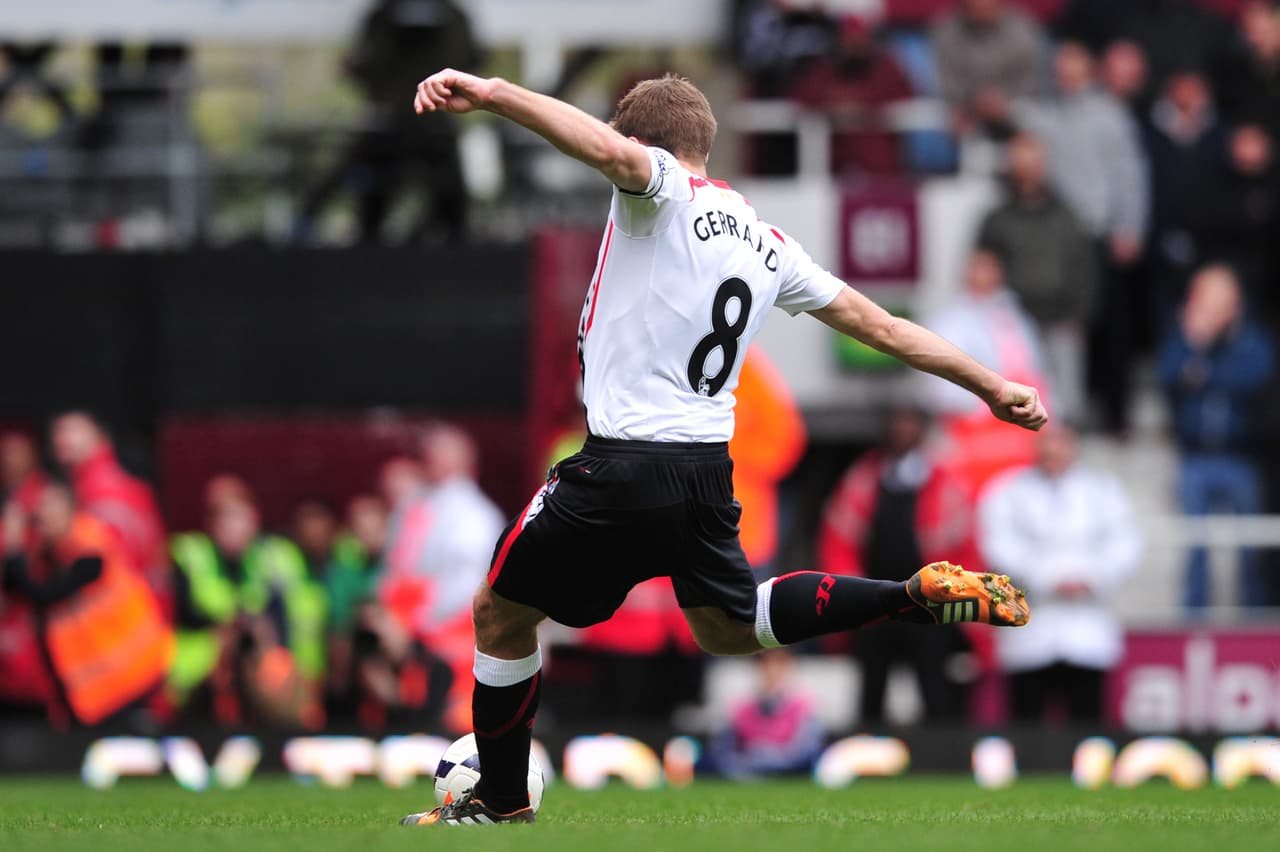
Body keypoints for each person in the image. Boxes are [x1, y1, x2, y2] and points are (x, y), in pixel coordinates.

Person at [401, 67, 1045, 826]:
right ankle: (907, 595)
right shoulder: (767, 242)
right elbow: (887, 329)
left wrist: (496, 94)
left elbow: (609, 155)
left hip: (621, 464)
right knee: (729, 628)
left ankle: (502, 800)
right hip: (707, 473)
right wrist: (993, 387)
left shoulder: (660, 190)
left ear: (643, 141)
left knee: (499, 615)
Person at [817, 408, 974, 723]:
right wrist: (851, 592)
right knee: (872, 686)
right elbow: (838, 539)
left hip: (928, 603)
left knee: (934, 684)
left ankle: (938, 761)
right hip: (875, 602)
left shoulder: (943, 482)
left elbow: (963, 543)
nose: (902, 430)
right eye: (896, 422)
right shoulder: (863, 479)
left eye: (909, 423)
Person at [978, 424, 1142, 724]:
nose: (1052, 451)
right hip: (1032, 623)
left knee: (1086, 720)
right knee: (1027, 720)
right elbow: (999, 545)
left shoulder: (1102, 490)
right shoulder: (1009, 490)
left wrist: (1091, 579)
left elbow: (1125, 544)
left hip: (1087, 625)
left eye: (1060, 443)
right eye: (1046, 444)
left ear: (1073, 446)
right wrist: (1049, 580)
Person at [1025, 42, 1148, 434]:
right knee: (1065, 326)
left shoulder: (1110, 115)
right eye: (1061, 67)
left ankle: (1116, 415)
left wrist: (1129, 226)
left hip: (1100, 234)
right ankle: (1067, 411)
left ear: (1090, 71)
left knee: (1112, 328)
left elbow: (1130, 174)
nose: (1066, 74)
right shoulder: (1047, 114)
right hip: (1058, 240)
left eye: (1074, 67)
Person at [2, 482, 173, 727]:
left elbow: (46, 593)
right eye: (40, 512)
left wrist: (14, 551)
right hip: (101, 687)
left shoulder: (90, 542)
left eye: (51, 507)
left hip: (133, 673)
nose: (45, 517)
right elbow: (17, 587)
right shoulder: (49, 551)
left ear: (70, 507)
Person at [1156, 264, 1275, 609]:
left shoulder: (1250, 337)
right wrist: (1197, 346)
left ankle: (1254, 620)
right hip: (1194, 455)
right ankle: (1194, 618)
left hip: (1241, 456)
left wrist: (1203, 372)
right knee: (1196, 546)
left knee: (1251, 546)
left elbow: (1255, 377)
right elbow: (1169, 376)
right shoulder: (1185, 336)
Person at [168, 485, 327, 725]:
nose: (232, 528)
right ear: (211, 523)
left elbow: (289, 619)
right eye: (224, 518)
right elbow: (179, 613)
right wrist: (224, 628)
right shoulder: (190, 553)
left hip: (262, 669)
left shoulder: (275, 557)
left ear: (254, 519)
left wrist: (258, 630)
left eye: (238, 518)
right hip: (195, 675)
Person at [977, 132, 1097, 423]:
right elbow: (983, 267)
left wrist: (1079, 314)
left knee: (1066, 404)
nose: (1027, 170)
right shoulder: (998, 219)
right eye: (1021, 162)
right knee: (1015, 395)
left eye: (1033, 162)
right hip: (1012, 323)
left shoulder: (1065, 215)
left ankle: (1065, 457)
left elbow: (1084, 267)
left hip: (1061, 319)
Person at [921, 249, 1047, 496]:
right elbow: (940, 386)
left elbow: (1036, 372)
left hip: (1018, 438)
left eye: (991, 268)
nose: (984, 275)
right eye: (978, 268)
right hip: (970, 435)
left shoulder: (1014, 318)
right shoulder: (950, 320)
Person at [50, 412, 169, 611]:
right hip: (142, 608)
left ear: (100, 436)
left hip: (123, 613)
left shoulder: (102, 491)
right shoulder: (100, 486)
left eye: (72, 429)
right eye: (58, 431)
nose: (61, 437)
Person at [787, 11, 914, 175]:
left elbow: (907, 97)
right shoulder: (826, 70)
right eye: (849, 40)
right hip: (836, 166)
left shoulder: (885, 67)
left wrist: (862, 104)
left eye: (859, 40)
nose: (854, 45)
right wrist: (832, 106)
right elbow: (800, 99)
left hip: (881, 167)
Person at [703, 648, 825, 780]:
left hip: (789, 777)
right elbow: (722, 753)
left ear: (789, 665)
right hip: (746, 778)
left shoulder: (804, 705)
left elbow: (805, 753)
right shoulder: (741, 707)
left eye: (779, 662)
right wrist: (747, 764)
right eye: (765, 663)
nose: (771, 669)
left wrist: (766, 757)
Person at [931, 0, 1044, 140]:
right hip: (966, 110)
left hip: (1013, 108)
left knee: (1034, 117)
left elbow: (1029, 81)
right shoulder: (946, 29)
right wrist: (974, 101)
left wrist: (1002, 100)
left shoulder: (1022, 28)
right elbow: (946, 81)